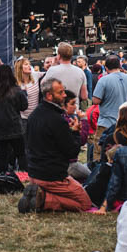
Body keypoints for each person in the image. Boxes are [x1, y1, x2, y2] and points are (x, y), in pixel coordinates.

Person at [20, 78, 92, 213]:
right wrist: (75, 133)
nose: (64, 95)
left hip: (35, 172)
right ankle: (43, 199)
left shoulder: (34, 115)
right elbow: (72, 152)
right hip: (53, 176)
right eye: (60, 92)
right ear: (49, 95)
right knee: (84, 203)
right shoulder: (57, 120)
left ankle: (40, 194)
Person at [91, 55, 127, 161]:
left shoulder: (103, 80)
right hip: (126, 124)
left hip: (106, 123)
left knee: (100, 153)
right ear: (120, 65)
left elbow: (95, 101)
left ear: (106, 68)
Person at [0, 64, 28, 172]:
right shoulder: (17, 90)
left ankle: (2, 177)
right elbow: (24, 106)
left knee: (1, 155)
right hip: (15, 127)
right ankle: (23, 176)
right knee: (21, 154)